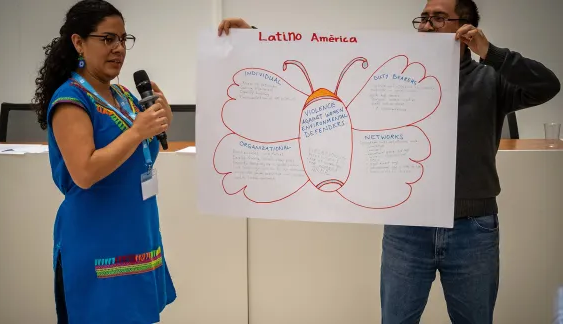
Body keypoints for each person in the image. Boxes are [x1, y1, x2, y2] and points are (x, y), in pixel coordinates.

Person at [217, 0, 561, 323]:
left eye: (439, 18)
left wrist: (492, 53)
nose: (426, 26)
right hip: (408, 227)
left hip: (473, 227)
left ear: (466, 28)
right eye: (423, 18)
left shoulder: (491, 79)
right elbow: (323, 64)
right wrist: (254, 41)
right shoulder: (396, 74)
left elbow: (547, 85)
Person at [32, 0, 176, 323]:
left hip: (138, 238)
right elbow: (84, 172)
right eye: (108, 39)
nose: (119, 49)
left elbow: (138, 158)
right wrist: (138, 131)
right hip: (99, 248)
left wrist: (159, 124)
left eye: (123, 39)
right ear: (79, 43)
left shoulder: (124, 96)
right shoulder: (71, 99)